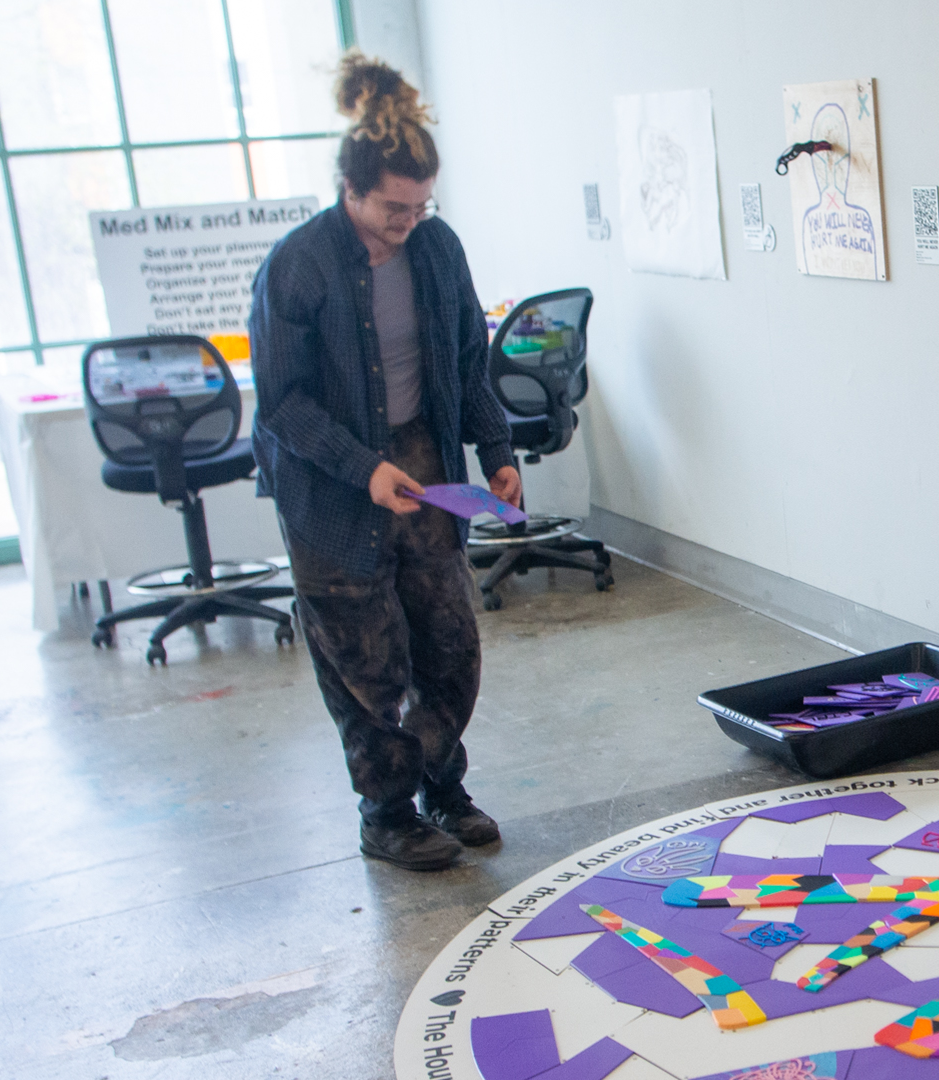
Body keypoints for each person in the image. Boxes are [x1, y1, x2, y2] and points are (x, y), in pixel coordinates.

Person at [249, 53, 520, 871]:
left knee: (448, 648)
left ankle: (444, 784)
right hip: (331, 485)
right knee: (366, 662)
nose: (408, 221)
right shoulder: (298, 265)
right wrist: (360, 466)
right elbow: (282, 404)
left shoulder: (437, 251)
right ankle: (387, 812)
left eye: (421, 205)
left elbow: (467, 363)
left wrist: (497, 451)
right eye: (394, 207)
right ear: (351, 187)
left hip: (424, 465)